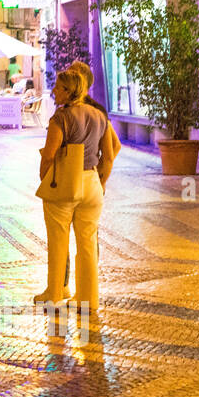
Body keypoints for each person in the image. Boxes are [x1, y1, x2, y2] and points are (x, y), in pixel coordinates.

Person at [37, 69, 115, 314]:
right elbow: (110, 154)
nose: (54, 92)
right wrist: (100, 182)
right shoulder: (99, 115)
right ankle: (88, 298)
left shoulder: (61, 118)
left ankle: (55, 293)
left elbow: (49, 154)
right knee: (88, 243)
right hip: (92, 181)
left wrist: (45, 177)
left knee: (58, 240)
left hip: (65, 182)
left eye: (58, 88)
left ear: (69, 91)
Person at [68, 59, 122, 184]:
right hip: (82, 177)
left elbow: (114, 146)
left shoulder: (93, 110)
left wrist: (101, 178)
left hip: (79, 176)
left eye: (73, 75)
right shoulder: (94, 109)